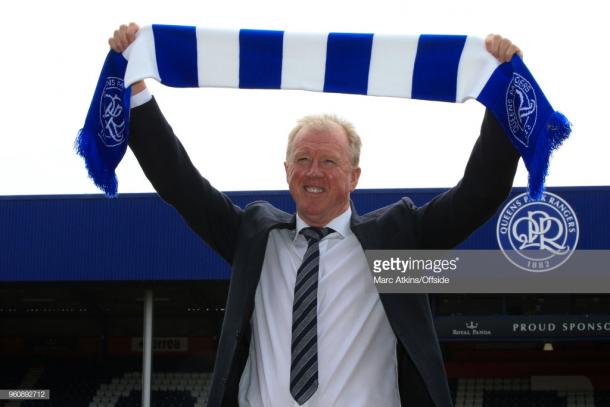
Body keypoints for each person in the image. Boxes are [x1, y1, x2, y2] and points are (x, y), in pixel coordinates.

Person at [110, 23, 522, 407]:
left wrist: (503, 96)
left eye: (329, 161)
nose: (313, 171)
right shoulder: (255, 238)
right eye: (302, 159)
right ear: (286, 171)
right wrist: (137, 90)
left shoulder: (396, 244)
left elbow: (480, 193)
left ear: (354, 176)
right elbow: (180, 183)